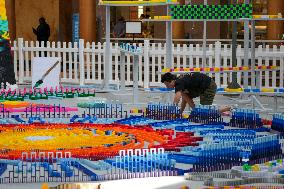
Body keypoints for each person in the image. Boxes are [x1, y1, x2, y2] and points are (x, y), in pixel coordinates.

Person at [161, 72, 231, 114]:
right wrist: (180, 112)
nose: (167, 87)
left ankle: (227, 108)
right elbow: (185, 100)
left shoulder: (179, 82)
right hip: (201, 87)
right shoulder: (180, 82)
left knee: (205, 113)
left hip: (208, 86)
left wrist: (172, 110)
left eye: (167, 84)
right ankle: (197, 111)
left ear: (172, 81)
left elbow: (177, 97)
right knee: (184, 95)